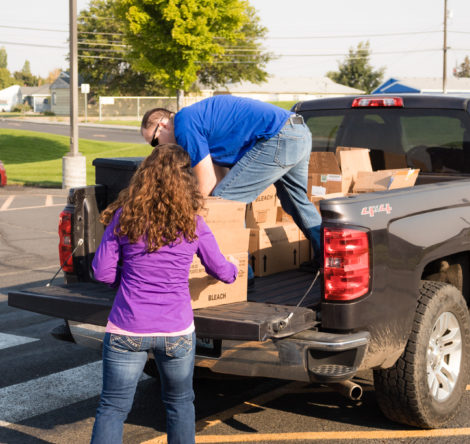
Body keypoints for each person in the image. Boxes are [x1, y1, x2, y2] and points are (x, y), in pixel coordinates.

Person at [90, 144, 238, 444]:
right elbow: (222, 271)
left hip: (127, 325)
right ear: (187, 181)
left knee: (113, 408)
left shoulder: (124, 218)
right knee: (180, 403)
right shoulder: (192, 223)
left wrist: (129, 278)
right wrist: (235, 268)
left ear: (144, 176)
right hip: (176, 330)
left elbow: (101, 272)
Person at [140, 95, 322, 269]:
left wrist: (185, 216)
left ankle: (241, 273)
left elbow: (207, 183)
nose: (159, 149)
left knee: (225, 205)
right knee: (295, 201)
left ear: (163, 125)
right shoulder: (195, 119)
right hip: (298, 132)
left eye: (155, 142)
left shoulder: (183, 125)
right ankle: (326, 257)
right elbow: (216, 178)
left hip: (280, 137)